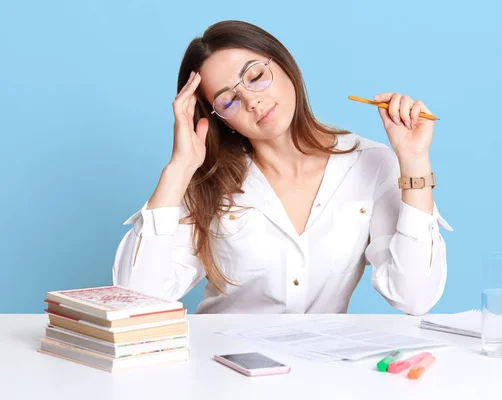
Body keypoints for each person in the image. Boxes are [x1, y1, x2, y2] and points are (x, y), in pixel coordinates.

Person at [112, 20, 452, 315]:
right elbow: (137, 301)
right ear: (220, 120)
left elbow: (415, 297)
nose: (253, 101)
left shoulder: (371, 163)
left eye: (256, 76)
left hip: (321, 373)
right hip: (221, 371)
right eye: (228, 100)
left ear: (286, 66)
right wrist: (178, 170)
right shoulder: (208, 180)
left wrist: (414, 160)